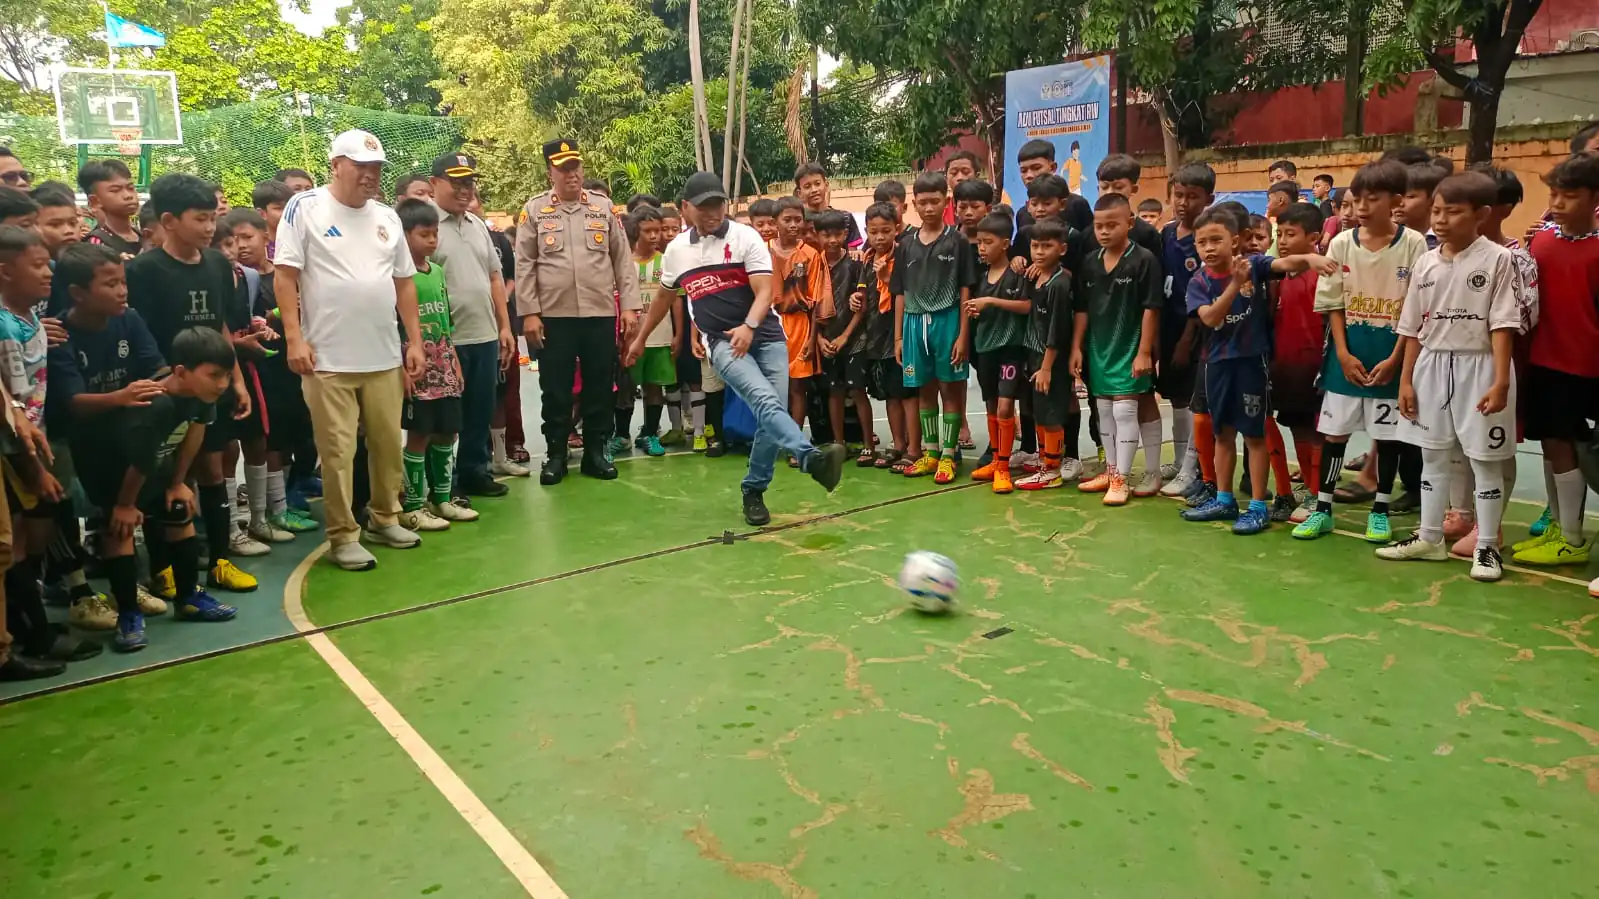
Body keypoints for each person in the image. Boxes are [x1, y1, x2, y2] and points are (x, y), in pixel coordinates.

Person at [623, 171, 845, 525]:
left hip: (767, 336)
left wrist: (750, 326)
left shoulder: (745, 237)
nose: (713, 213)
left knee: (769, 415)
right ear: (685, 208)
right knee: (765, 402)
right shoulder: (678, 250)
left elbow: (764, 293)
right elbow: (664, 298)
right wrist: (639, 339)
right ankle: (809, 458)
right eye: (704, 207)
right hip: (722, 342)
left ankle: (753, 489)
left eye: (718, 205)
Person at [276, 129, 427, 572]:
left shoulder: (387, 217)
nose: (370, 175)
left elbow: (404, 282)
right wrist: (293, 338)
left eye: (376, 167)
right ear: (336, 165)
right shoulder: (304, 208)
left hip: (383, 355)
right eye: (361, 166)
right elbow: (285, 276)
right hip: (328, 359)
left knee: (387, 443)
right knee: (338, 452)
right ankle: (343, 535)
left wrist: (413, 340)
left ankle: (385, 517)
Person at [1375, 171, 1520, 581]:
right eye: (1436, 211)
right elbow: (1412, 328)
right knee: (1433, 456)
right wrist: (1406, 379)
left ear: (1481, 215)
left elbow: (1503, 324)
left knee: (1486, 460)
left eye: (1452, 212)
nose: (1440, 220)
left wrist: (1501, 380)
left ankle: (1487, 546)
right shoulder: (1425, 261)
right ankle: (1430, 537)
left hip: (1480, 365)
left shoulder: (1499, 259)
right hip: (1432, 366)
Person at [125, 173, 259, 594]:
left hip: (209, 388)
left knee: (211, 467)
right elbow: (140, 333)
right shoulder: (145, 270)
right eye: (200, 218)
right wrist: (165, 384)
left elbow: (219, 326)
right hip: (166, 390)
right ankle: (162, 568)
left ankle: (220, 559)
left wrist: (235, 380)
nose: (208, 227)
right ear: (168, 220)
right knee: (159, 475)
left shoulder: (218, 264)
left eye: (211, 217)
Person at [77, 327, 241, 651]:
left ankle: (189, 598)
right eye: (214, 375)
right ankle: (127, 614)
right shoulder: (157, 405)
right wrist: (125, 504)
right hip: (113, 471)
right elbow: (138, 462)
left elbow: (195, 431)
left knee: (179, 509)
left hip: (153, 465)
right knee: (119, 529)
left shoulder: (203, 394)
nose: (223, 384)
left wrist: (178, 482)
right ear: (181, 372)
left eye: (226, 375)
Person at [1292, 158, 1428, 543]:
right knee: (1334, 436)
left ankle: (1380, 510)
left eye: (1372, 199)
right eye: (1356, 200)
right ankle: (1323, 509)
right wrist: (1343, 353)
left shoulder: (1415, 245)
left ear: (1395, 201)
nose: (1362, 208)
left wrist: (1396, 359)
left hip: (1390, 357)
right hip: (1346, 357)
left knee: (1387, 438)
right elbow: (1333, 305)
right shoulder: (1339, 244)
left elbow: (1415, 310)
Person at [1182, 206, 1334, 534]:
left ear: (1234, 241)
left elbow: (1284, 263)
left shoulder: (1254, 265)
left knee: (1254, 435)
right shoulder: (1199, 281)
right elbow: (1210, 318)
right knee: (1222, 434)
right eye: (1201, 243)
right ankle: (1224, 499)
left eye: (1216, 240)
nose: (1208, 248)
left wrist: (1310, 260)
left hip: (1252, 363)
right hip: (1217, 364)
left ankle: (1256, 507)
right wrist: (1235, 285)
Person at [48, 242, 170, 630]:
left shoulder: (129, 320)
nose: (122, 290)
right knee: (70, 510)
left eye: (122, 281)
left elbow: (159, 369)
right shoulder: (57, 335)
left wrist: (152, 388)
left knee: (124, 511)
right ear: (78, 293)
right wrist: (123, 396)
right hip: (75, 439)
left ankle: (126, 588)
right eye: (110, 283)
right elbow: (73, 403)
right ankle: (79, 593)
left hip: (123, 432)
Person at [513, 138, 639, 485]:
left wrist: (629, 305)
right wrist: (529, 313)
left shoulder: (602, 207)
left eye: (576, 166)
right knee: (555, 388)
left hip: (599, 313)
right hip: (553, 317)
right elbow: (524, 265)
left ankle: (596, 453)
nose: (572, 174)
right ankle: (555, 454)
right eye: (564, 168)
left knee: (600, 384)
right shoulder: (535, 211)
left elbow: (622, 259)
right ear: (549, 172)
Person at [1514, 152, 1599, 580]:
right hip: (1544, 362)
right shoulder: (1541, 241)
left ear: (1595, 198)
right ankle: (1565, 534)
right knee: (1552, 444)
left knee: (1583, 452)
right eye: (1554, 194)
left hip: (1587, 367)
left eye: (1571, 195)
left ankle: (1573, 539)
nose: (1559, 203)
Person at [223, 208, 318, 541]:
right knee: (268, 439)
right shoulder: (235, 279)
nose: (240, 246)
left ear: (267, 235)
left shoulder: (277, 273)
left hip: (288, 367)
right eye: (232, 240)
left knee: (290, 433)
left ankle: (283, 504)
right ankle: (270, 512)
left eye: (247, 237)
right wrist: (274, 316)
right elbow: (253, 318)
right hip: (258, 370)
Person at [427, 153, 519, 495]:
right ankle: (441, 483)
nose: (465, 190)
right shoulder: (425, 225)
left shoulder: (478, 225)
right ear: (434, 183)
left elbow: (495, 278)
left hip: (484, 334)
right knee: (443, 416)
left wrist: (505, 327)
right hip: (443, 339)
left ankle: (473, 473)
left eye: (469, 182)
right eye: (457, 182)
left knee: (480, 409)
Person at [1069, 193, 1163, 504]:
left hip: (1131, 345)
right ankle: (1112, 471)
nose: (1105, 231)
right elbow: (1081, 309)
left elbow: (1152, 308)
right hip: (1099, 347)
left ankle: (1128, 478)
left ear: (1130, 223)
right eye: (1099, 226)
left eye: (1112, 224)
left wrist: (1144, 351)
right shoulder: (1089, 263)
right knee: (1104, 410)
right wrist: (1077, 347)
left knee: (1126, 409)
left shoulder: (1144, 260)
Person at [394, 198, 476, 532]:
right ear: (404, 235)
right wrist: (401, 367)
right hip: (415, 367)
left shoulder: (438, 272)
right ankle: (413, 504)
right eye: (424, 234)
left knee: (448, 431)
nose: (432, 240)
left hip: (443, 363)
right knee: (419, 433)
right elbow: (393, 323)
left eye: (434, 234)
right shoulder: (398, 276)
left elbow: (444, 319)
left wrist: (453, 358)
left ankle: (441, 498)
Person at [894, 171, 974, 484]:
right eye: (923, 202)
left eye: (935, 201)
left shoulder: (958, 240)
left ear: (946, 202)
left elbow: (966, 289)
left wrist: (963, 335)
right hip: (914, 324)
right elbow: (899, 292)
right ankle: (930, 452)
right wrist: (899, 336)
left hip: (947, 321)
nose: (929, 207)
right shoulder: (905, 244)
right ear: (913, 204)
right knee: (924, 390)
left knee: (949, 390)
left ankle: (949, 454)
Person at [1157, 164, 1216, 502]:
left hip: (1196, 329)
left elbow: (1205, 292)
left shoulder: (1208, 238)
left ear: (1208, 198)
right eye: (1178, 195)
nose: (1183, 203)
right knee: (1177, 396)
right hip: (1169, 324)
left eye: (1192, 197)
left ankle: (1192, 468)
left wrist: (1187, 338)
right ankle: (1182, 462)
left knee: (1197, 401)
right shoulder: (1166, 232)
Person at [1270, 202, 1329, 523]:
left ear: (1314, 237)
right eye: (1280, 234)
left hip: (1316, 367)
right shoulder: (1279, 275)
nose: (1282, 240)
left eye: (1290, 234)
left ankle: (1320, 495)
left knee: (1318, 431)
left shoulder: (1322, 276)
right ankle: (1309, 488)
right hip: (1286, 367)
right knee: (1297, 428)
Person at [965, 212, 1029, 493]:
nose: (981, 247)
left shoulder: (1017, 272)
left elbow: (1026, 306)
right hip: (985, 348)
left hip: (1010, 349)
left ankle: (1003, 467)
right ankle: (995, 459)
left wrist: (991, 301)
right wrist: (974, 310)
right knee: (991, 404)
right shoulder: (979, 276)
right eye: (979, 242)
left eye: (987, 242)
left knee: (1005, 405)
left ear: (1005, 244)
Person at [1015, 221, 1075, 490]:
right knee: (1040, 411)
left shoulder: (1060, 284)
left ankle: (1052, 470)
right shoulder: (1036, 276)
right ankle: (1044, 461)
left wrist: (1048, 367)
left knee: (1050, 413)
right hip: (1033, 355)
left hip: (1049, 360)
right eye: (1035, 246)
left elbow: (1058, 329)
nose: (1039, 252)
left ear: (1062, 249)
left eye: (1047, 246)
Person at [769, 196, 832, 454]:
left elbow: (817, 300)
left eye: (798, 220)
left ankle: (795, 443)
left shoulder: (810, 255)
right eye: (788, 220)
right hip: (769, 325)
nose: (793, 225)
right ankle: (772, 441)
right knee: (772, 388)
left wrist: (811, 337)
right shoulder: (762, 251)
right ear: (775, 222)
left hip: (799, 326)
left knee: (797, 388)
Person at [861, 203, 913, 471]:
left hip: (901, 335)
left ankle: (914, 447)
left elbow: (904, 294)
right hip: (876, 337)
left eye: (885, 231)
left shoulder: (903, 256)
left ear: (897, 229)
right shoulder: (865, 259)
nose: (879, 237)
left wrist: (886, 276)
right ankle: (898, 444)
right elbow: (862, 291)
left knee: (907, 394)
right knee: (891, 395)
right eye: (873, 231)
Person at [814, 210, 870, 456]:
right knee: (834, 392)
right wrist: (819, 339)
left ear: (846, 234)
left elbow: (863, 306)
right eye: (826, 235)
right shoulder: (814, 266)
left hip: (854, 339)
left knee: (857, 391)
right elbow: (810, 307)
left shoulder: (857, 264)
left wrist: (845, 336)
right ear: (817, 236)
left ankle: (869, 445)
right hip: (826, 339)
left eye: (838, 234)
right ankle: (839, 443)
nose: (833, 240)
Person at [624, 205, 676, 456]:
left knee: (654, 386)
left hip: (660, 335)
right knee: (625, 386)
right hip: (629, 337)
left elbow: (675, 299)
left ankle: (650, 433)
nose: (655, 236)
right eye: (648, 231)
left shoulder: (667, 262)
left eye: (658, 230)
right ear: (636, 231)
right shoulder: (623, 264)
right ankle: (621, 435)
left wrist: (678, 334)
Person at [1014, 140, 1092, 232]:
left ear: (1053, 167)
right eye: (1024, 171)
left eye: (1036, 168)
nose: (1029, 175)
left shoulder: (1077, 205)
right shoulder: (1022, 215)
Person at [78, 160, 142, 260]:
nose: (128, 196)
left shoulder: (143, 235)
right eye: (115, 190)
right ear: (95, 201)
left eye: (130, 188)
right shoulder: (96, 243)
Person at [794, 162, 863, 248]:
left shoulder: (845, 218)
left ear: (826, 185)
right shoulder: (797, 221)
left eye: (817, 184)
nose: (814, 190)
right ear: (799, 193)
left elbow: (852, 255)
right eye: (807, 186)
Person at [1401, 163, 1449, 247]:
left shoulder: (1447, 241)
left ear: (1433, 200)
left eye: (1410, 196)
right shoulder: (1391, 237)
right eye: (1399, 196)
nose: (1400, 203)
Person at [941, 151, 981, 226]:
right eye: (954, 173)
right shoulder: (940, 212)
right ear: (946, 178)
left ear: (977, 176)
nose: (960, 178)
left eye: (965, 172)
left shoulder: (988, 210)